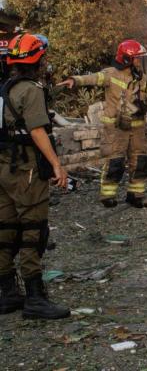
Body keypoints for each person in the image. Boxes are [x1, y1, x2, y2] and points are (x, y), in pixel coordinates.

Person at [0, 33, 70, 319]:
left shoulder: (5, 89)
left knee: (5, 230)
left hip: (4, 168)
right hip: (27, 169)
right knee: (32, 230)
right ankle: (35, 298)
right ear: (38, 59)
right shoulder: (31, 90)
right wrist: (57, 165)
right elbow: (38, 131)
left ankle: (7, 294)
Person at [59, 39, 147, 208]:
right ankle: (108, 196)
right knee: (115, 162)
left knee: (140, 162)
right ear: (127, 59)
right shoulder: (111, 74)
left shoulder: (142, 78)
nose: (139, 61)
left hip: (138, 128)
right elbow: (93, 78)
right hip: (116, 129)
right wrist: (75, 80)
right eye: (136, 58)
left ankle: (136, 195)